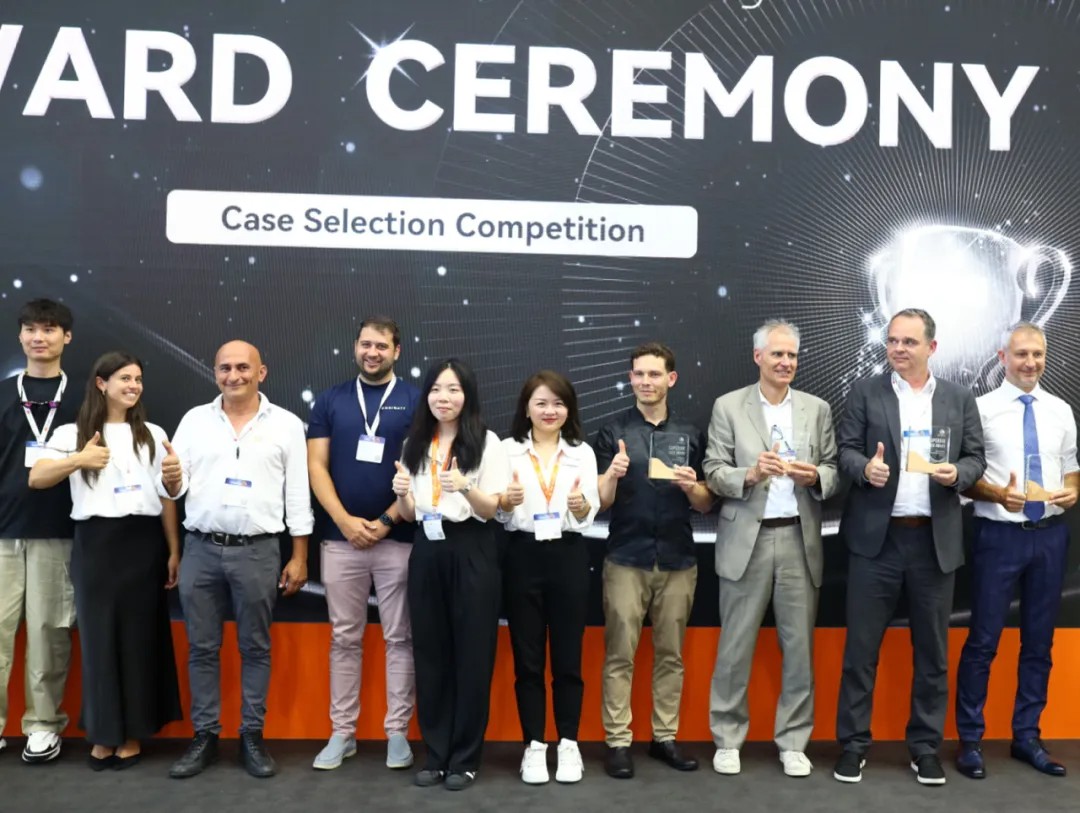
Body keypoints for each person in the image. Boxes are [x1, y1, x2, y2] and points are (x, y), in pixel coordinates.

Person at [833, 308, 985, 786]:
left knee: (933, 654)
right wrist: (865, 469)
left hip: (934, 541)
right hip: (876, 541)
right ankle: (853, 746)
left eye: (909, 342)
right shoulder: (866, 391)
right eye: (892, 341)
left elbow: (976, 458)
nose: (897, 349)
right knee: (861, 651)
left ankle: (924, 748)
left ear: (931, 348)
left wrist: (957, 474)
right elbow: (845, 449)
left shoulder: (959, 398)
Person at [165, 341, 313, 779]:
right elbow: (175, 487)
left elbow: (297, 494)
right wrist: (170, 480)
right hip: (200, 548)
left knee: (255, 647)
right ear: (215, 373)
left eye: (243, 367)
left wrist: (299, 556)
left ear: (261, 372)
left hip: (259, 550)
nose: (234, 375)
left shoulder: (286, 424)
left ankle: (252, 735)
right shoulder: (194, 420)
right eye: (225, 368)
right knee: (201, 648)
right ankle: (205, 736)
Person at [29, 352, 182, 769]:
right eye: (124, 378)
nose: (133, 386)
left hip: (144, 544)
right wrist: (78, 459)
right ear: (101, 383)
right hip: (96, 544)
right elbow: (37, 478)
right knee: (98, 641)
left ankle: (131, 734)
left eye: (138, 379)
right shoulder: (71, 432)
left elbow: (168, 496)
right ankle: (102, 734)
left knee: (138, 640)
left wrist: (173, 549)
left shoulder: (153, 433)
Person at [703, 320, 839, 778]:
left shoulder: (817, 409)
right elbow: (713, 469)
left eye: (792, 355)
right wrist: (751, 473)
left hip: (799, 538)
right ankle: (727, 739)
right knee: (734, 646)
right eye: (777, 354)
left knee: (799, 648)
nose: (785, 362)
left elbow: (833, 468)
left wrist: (815, 476)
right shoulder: (729, 406)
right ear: (757, 356)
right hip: (747, 539)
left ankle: (794, 741)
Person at [955, 322, 1078, 779]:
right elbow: (965, 476)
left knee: (1039, 644)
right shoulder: (980, 409)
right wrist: (995, 494)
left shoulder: (1061, 409)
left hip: (1050, 535)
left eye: (1037, 354)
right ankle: (970, 741)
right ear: (1002, 357)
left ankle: (1027, 736)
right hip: (998, 536)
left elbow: (1071, 466)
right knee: (983, 641)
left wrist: (1072, 490)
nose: (1030, 362)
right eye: (1021, 354)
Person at [594, 342, 713, 780]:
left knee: (671, 655)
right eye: (639, 374)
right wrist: (612, 474)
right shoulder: (612, 432)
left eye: (654, 374)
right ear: (630, 379)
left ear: (671, 379)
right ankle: (617, 742)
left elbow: (706, 503)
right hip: (626, 558)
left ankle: (664, 737)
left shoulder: (691, 433)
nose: (646, 382)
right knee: (619, 655)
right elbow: (600, 502)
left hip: (678, 559)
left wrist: (691, 486)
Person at [307, 317, 420, 771]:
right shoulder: (330, 399)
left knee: (400, 638)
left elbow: (421, 469)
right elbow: (316, 466)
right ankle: (342, 733)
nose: (372, 352)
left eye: (381, 346)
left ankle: (398, 733)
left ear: (397, 351)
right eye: (365, 344)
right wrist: (344, 521)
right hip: (341, 539)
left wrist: (388, 520)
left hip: (399, 538)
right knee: (344, 638)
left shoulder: (416, 400)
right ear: (355, 347)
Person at [391, 358, 509, 791]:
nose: (444, 398)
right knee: (431, 654)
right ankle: (436, 755)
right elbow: (409, 513)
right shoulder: (415, 442)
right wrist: (402, 496)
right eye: (437, 389)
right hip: (427, 548)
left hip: (471, 547)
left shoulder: (488, 442)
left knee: (473, 655)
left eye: (454, 390)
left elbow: (491, 510)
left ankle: (465, 758)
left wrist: (465, 486)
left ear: (468, 395)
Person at [498, 370, 600, 785]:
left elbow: (589, 513)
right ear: (526, 408)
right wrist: (507, 502)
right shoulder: (506, 450)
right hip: (521, 554)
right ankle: (535, 745)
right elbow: (498, 513)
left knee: (568, 658)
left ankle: (569, 743)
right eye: (541, 403)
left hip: (568, 554)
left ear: (569, 410)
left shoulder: (582, 452)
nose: (549, 411)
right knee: (528, 660)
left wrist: (579, 506)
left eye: (558, 403)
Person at [0, 298, 78, 763]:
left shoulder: (84, 397)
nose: (38, 337)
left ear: (66, 337)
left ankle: (44, 725)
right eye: (31, 329)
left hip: (59, 531)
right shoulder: (3, 393)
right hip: (3, 532)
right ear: (20, 335)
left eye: (49, 329)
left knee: (49, 632)